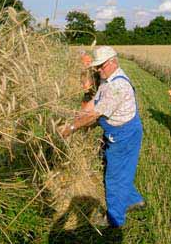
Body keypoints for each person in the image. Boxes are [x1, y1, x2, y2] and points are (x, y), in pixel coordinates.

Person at [61, 46, 145, 228]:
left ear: (113, 62)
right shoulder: (107, 79)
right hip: (121, 132)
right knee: (123, 170)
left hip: (124, 134)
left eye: (101, 66)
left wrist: (72, 127)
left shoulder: (117, 86)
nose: (98, 70)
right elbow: (93, 103)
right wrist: (74, 116)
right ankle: (134, 200)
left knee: (114, 177)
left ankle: (114, 220)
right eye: (97, 66)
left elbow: (94, 115)